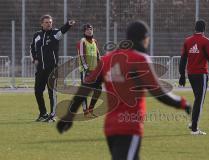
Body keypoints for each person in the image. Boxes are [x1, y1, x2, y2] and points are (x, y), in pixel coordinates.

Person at [56, 21, 192, 160]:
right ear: (144, 38)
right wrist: (183, 103)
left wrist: (69, 114)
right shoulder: (140, 59)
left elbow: (86, 87)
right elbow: (158, 92)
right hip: (129, 126)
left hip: (110, 127)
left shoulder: (108, 59)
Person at [30, 14, 75, 122]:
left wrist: (68, 24)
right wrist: (34, 59)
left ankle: (52, 115)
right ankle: (43, 114)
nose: (49, 24)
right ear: (42, 23)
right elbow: (32, 48)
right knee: (37, 91)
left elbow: (62, 31)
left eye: (50, 22)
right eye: (46, 22)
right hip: (40, 69)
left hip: (52, 69)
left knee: (52, 93)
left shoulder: (55, 34)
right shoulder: (37, 35)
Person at [179, 19, 209, 135]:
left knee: (198, 99)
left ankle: (193, 123)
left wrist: (182, 75)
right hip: (201, 74)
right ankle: (194, 129)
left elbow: (183, 59)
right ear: (204, 29)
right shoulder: (206, 41)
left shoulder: (187, 41)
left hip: (191, 74)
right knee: (199, 100)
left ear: (195, 28)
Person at [76, 23, 101, 117]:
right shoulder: (82, 41)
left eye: (91, 29)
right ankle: (85, 111)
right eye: (87, 30)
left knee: (98, 89)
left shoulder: (94, 41)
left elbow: (98, 55)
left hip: (95, 71)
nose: (89, 31)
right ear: (84, 32)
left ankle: (91, 109)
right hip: (85, 71)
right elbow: (81, 56)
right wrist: (86, 68)